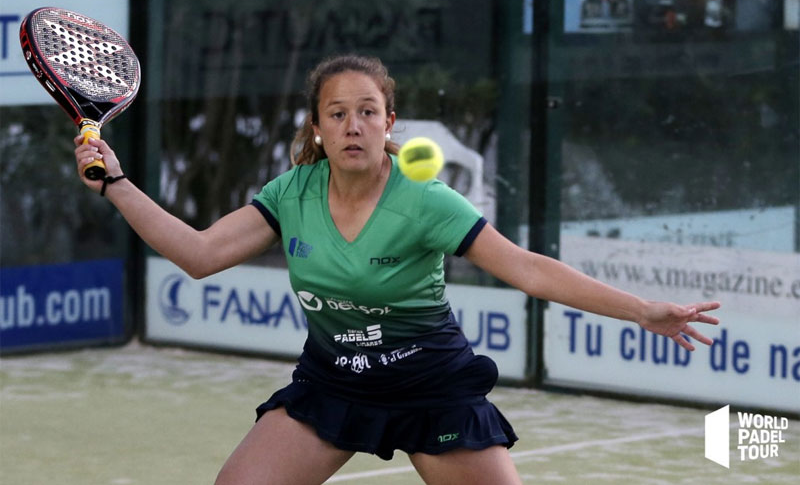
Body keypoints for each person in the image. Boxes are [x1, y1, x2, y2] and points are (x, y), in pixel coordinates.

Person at [74, 54, 720, 485]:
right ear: (318, 128)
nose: (353, 125)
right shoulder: (293, 193)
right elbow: (199, 255)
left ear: (388, 123)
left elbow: (528, 270)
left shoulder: (426, 201)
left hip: (431, 389)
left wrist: (643, 311)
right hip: (334, 386)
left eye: (366, 111)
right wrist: (117, 184)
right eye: (337, 113)